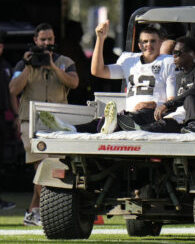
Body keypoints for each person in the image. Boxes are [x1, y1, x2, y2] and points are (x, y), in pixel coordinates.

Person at [39, 20, 176, 134]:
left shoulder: (167, 62)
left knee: (119, 120)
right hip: (130, 114)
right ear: (139, 45)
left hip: (152, 115)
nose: (149, 45)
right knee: (99, 122)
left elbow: (172, 101)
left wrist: (156, 104)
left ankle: (111, 124)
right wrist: (100, 39)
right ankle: (70, 128)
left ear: (160, 43)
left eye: (153, 41)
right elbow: (98, 71)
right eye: (145, 42)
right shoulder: (129, 60)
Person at [9, 23, 79, 226]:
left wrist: (53, 67)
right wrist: (29, 66)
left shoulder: (65, 62)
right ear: (35, 41)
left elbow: (74, 83)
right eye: (43, 40)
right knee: (43, 167)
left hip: (58, 123)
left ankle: (33, 212)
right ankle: (39, 213)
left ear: (54, 39)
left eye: (50, 39)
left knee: (50, 168)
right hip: (31, 122)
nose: (47, 43)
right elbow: (13, 89)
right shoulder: (26, 64)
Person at [117, 36, 195, 134]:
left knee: (190, 98)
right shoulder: (180, 76)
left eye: (177, 53)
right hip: (185, 116)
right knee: (165, 122)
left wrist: (167, 105)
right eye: (173, 53)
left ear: (191, 54)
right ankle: (140, 130)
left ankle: (194, 127)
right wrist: (159, 110)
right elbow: (177, 103)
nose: (173, 57)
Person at [0, 31, 16, 210]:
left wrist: (16, 116)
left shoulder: (6, 67)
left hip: (2, 119)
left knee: (1, 161)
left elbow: (12, 94)